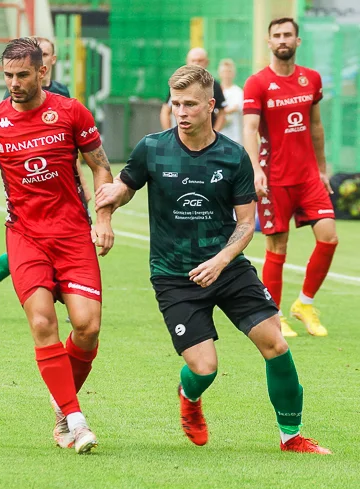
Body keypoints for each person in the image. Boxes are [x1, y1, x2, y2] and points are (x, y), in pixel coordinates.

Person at [96, 65, 330, 454]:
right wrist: (107, 213)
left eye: (190, 104)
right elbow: (121, 188)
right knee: (205, 368)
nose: (181, 112)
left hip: (228, 267)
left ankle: (292, 437)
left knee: (276, 344)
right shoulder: (153, 147)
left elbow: (244, 225)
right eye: (175, 104)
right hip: (174, 274)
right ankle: (189, 398)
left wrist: (221, 261)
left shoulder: (233, 156)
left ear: (211, 105)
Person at [0, 38, 116, 454]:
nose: (14, 83)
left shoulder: (71, 112)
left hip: (72, 236)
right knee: (43, 324)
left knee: (87, 328)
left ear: (42, 72)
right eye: (8, 76)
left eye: (22, 75)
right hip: (26, 237)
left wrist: (103, 218)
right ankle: (75, 418)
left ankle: (60, 396)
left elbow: (100, 166)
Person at [0, 36, 84, 320]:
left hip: (63, 191)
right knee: (28, 252)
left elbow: (69, 147)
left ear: (50, 62)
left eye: (47, 54)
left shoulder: (63, 95)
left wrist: (80, 182)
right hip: (28, 193)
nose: (14, 81)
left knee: (71, 242)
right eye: (10, 75)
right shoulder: (12, 97)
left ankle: (75, 296)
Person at [243, 17, 338, 338]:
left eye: (288, 35)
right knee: (278, 248)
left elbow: (316, 126)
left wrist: (322, 169)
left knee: (329, 237)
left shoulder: (311, 79)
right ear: (269, 42)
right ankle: (274, 315)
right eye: (277, 35)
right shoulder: (257, 83)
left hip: (309, 175)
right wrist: (255, 169)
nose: (282, 40)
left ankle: (305, 305)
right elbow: (250, 129)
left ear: (298, 41)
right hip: (274, 177)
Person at [160, 47, 226, 132]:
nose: (196, 63)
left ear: (207, 62)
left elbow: (222, 113)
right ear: (187, 61)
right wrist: (169, 135)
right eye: (193, 60)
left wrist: (214, 135)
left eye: (200, 60)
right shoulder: (178, 84)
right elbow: (165, 111)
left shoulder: (214, 85)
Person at [217, 58, 244, 144]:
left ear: (233, 73)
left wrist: (220, 112)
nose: (226, 74)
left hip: (234, 139)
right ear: (220, 73)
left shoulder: (238, 92)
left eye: (229, 71)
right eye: (224, 71)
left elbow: (235, 108)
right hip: (218, 137)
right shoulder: (216, 91)